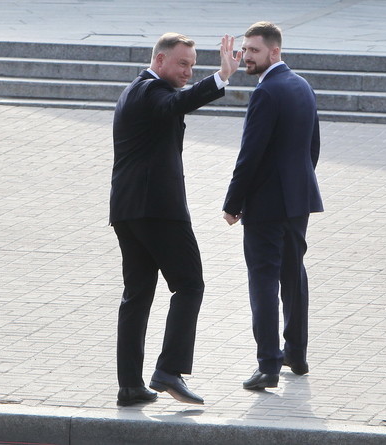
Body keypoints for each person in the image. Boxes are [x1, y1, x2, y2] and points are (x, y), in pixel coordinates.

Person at [110, 32, 241, 406]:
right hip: (158, 211)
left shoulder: (135, 91)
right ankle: (168, 371)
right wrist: (220, 77)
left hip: (128, 210)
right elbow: (177, 103)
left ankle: (130, 386)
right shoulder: (151, 91)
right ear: (160, 60)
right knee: (190, 285)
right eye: (182, 64)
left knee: (137, 296)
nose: (188, 72)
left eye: (192, 66)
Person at [222, 22, 323, 390]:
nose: (246, 56)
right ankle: (296, 353)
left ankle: (268, 365)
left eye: (254, 50)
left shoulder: (266, 92)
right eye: (245, 49)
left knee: (263, 280)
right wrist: (297, 185)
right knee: (293, 275)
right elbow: (313, 147)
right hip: (299, 200)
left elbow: (250, 154)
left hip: (266, 204)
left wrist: (233, 202)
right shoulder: (302, 86)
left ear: (274, 51)